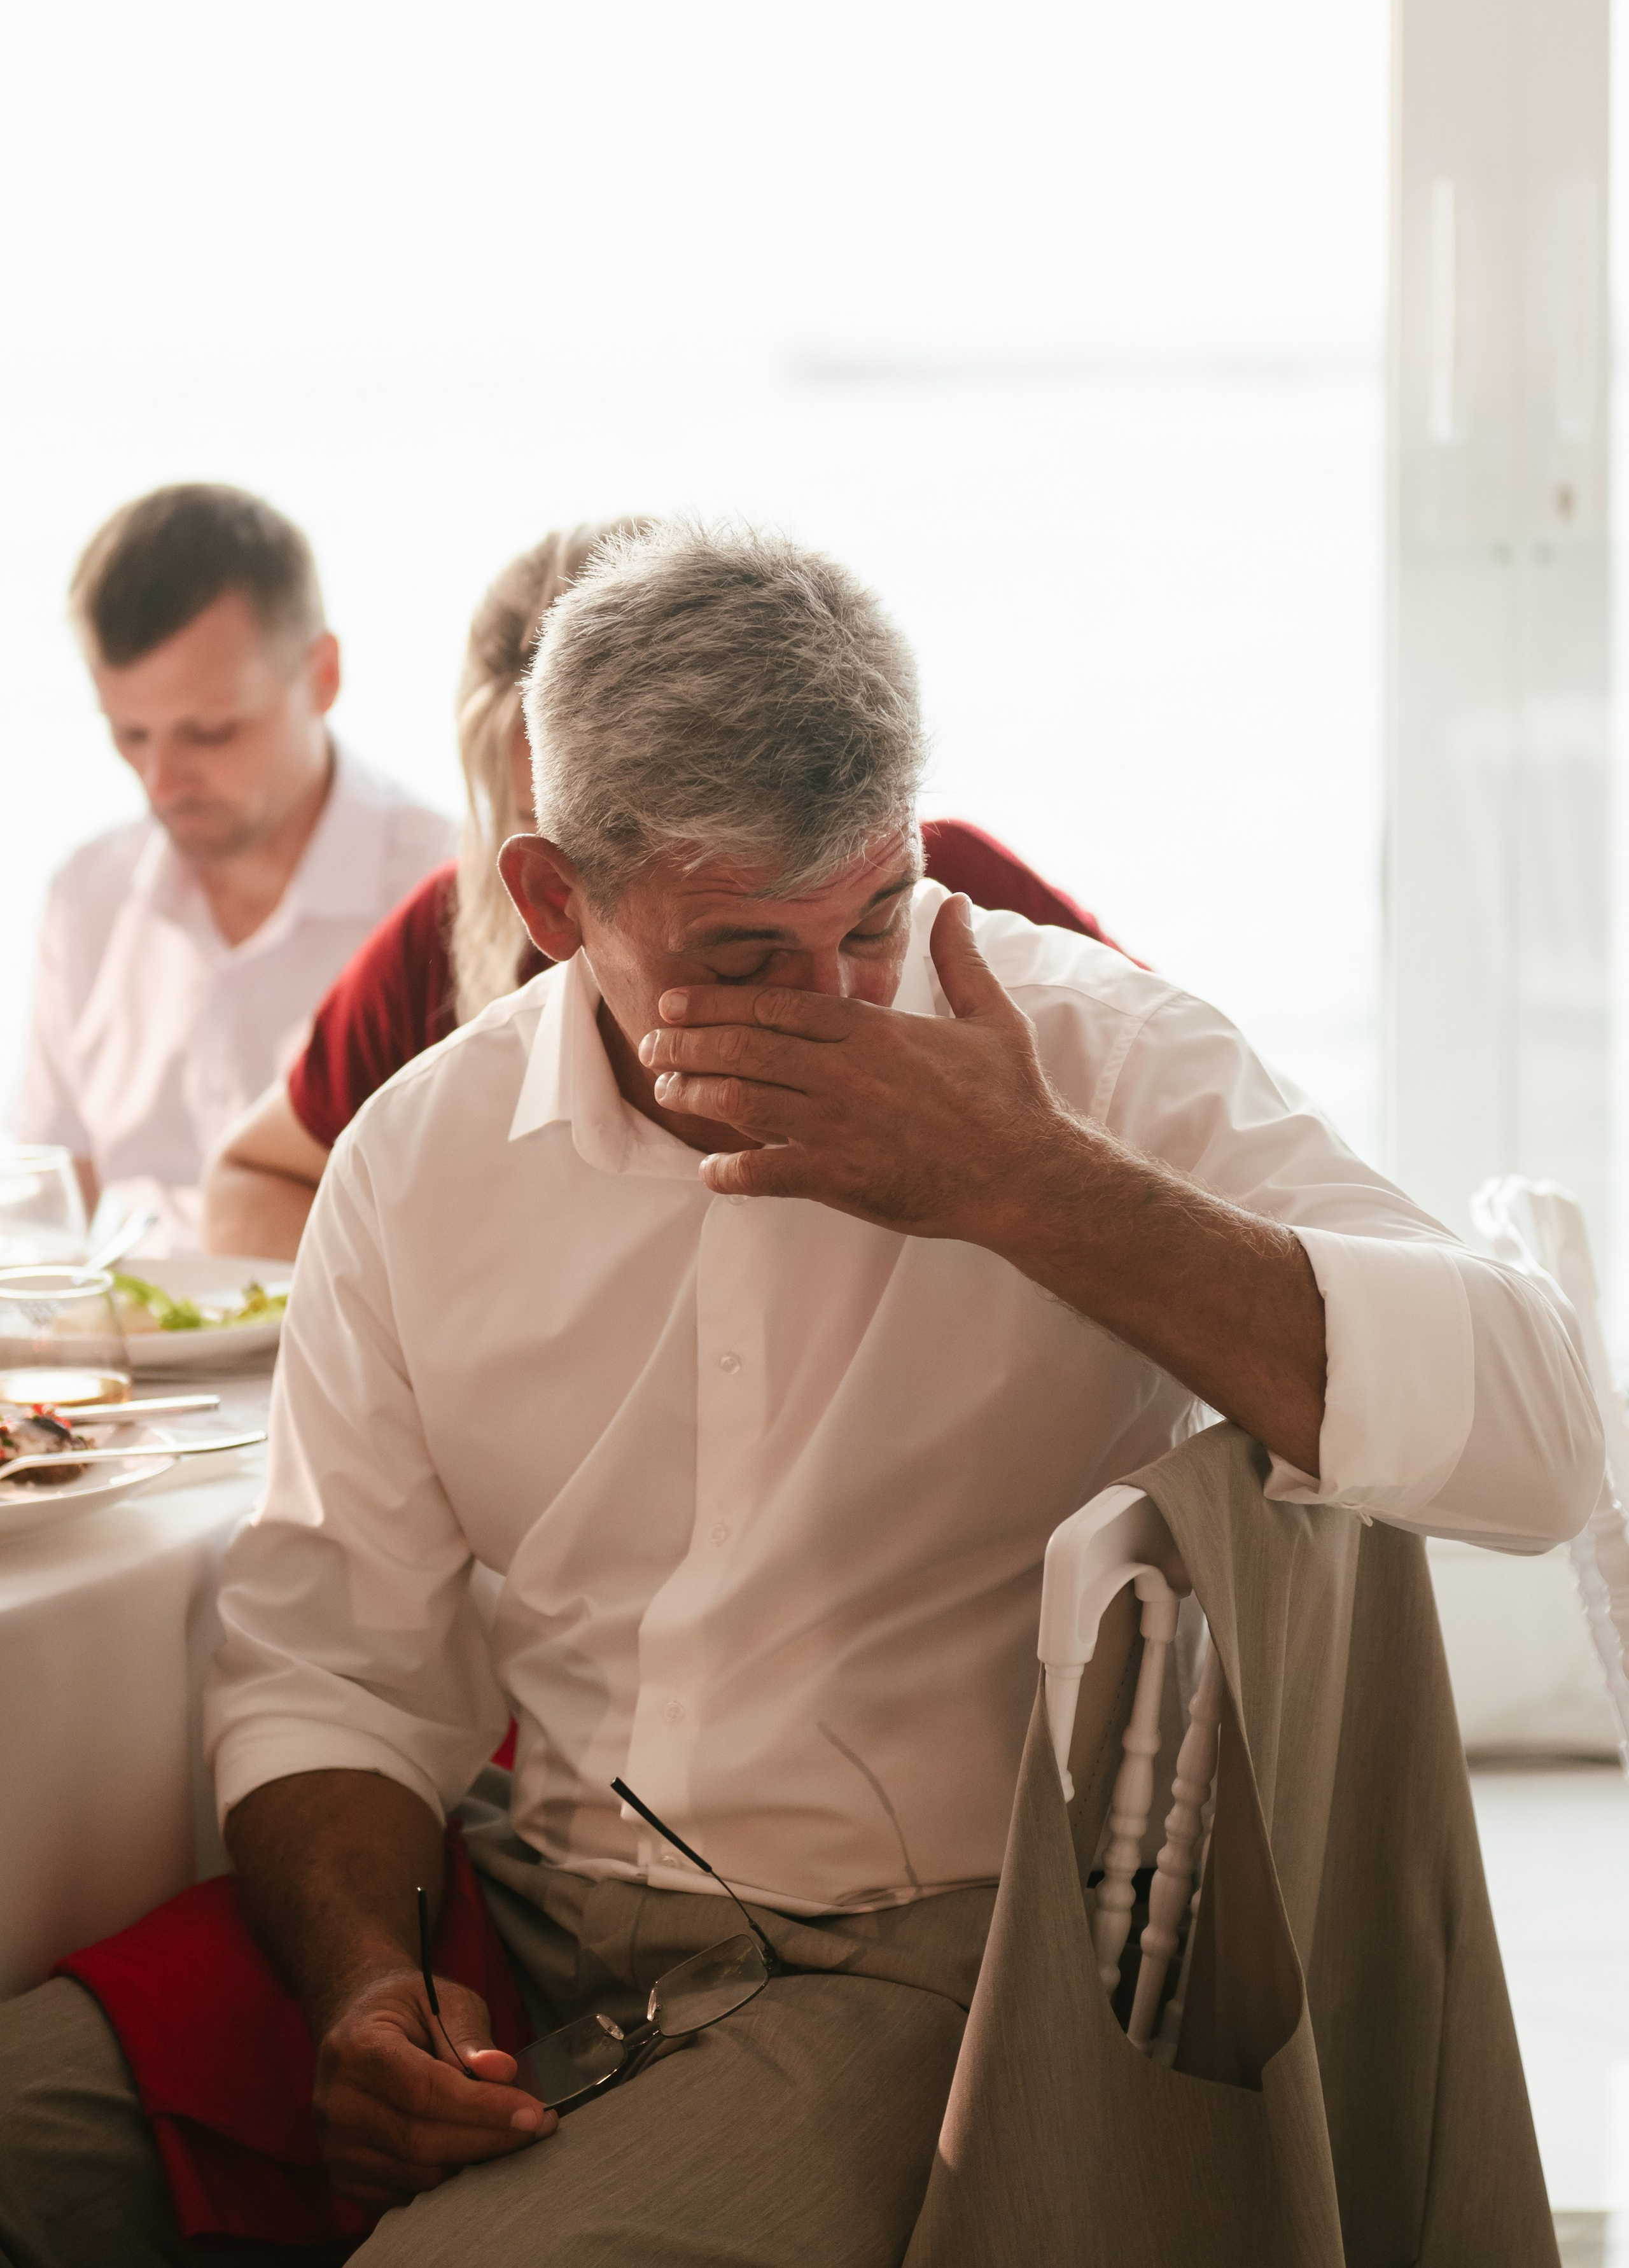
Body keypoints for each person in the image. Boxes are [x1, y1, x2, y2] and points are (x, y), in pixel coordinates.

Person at [0, 521, 1600, 2267]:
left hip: (938, 1952)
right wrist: (372, 1980)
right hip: (526, 1899)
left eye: (879, 917)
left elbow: (1548, 1438)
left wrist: (1035, 1187)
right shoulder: (421, 1159)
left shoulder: (1092, 1059)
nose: (842, 1008)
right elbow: (335, 1665)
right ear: (554, 904)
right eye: (750, 960)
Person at [201, 523, 1124, 1259]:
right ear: (545, 884)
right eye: (543, 809)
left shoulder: (942, 888)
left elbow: (1148, 1085)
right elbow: (257, 1172)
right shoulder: (445, 942)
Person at [9, 484, 454, 1245]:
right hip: (124, 1352)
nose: (161, 781)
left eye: (209, 733)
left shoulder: (446, 894)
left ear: (323, 675)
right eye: (130, 736)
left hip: (354, 1354)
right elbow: (45, 1213)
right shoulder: (89, 897)